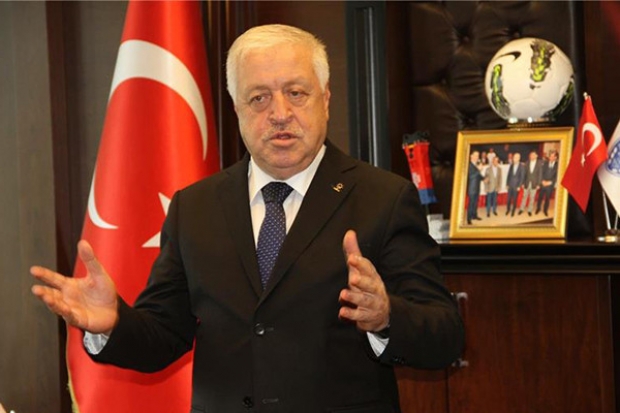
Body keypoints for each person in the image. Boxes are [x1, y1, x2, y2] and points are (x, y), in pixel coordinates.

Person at [30, 24, 463, 412]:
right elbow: (163, 333)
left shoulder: (384, 198)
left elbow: (445, 335)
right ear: (237, 109)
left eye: (296, 93)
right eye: (259, 98)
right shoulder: (194, 208)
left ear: (326, 100)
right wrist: (113, 324)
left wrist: (386, 316)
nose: (279, 113)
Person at [518, 150, 543, 216]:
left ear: (536, 156)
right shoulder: (527, 162)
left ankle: (529, 210)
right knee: (524, 196)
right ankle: (521, 209)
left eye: (533, 155)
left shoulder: (539, 163)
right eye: (530, 155)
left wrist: (538, 184)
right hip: (526, 182)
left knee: (532, 197)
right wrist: (523, 183)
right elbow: (524, 174)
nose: (531, 156)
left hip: (534, 183)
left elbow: (540, 174)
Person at [536, 150, 559, 216]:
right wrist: (542, 180)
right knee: (540, 197)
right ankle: (538, 208)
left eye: (552, 156)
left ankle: (545, 210)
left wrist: (550, 182)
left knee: (547, 198)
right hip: (543, 183)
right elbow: (541, 173)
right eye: (550, 156)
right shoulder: (545, 163)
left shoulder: (558, 165)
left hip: (550, 185)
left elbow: (557, 176)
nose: (551, 157)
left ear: (555, 157)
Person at [466, 151, 484, 224]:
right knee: (471, 203)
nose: (477, 157)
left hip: (477, 187)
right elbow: (471, 176)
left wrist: (484, 178)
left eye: (478, 155)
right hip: (471, 188)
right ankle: (468, 219)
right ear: (471, 156)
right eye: (476, 155)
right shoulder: (469, 165)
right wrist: (479, 170)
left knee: (475, 202)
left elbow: (478, 176)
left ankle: (474, 215)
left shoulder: (476, 165)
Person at [505, 152, 524, 217]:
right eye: (514, 157)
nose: (514, 158)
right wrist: (507, 184)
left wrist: (519, 186)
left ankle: (513, 211)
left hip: (516, 186)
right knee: (508, 199)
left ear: (519, 158)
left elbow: (522, 177)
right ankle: (508, 210)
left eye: (516, 157)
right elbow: (508, 175)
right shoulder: (511, 165)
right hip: (510, 185)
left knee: (514, 199)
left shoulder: (521, 166)